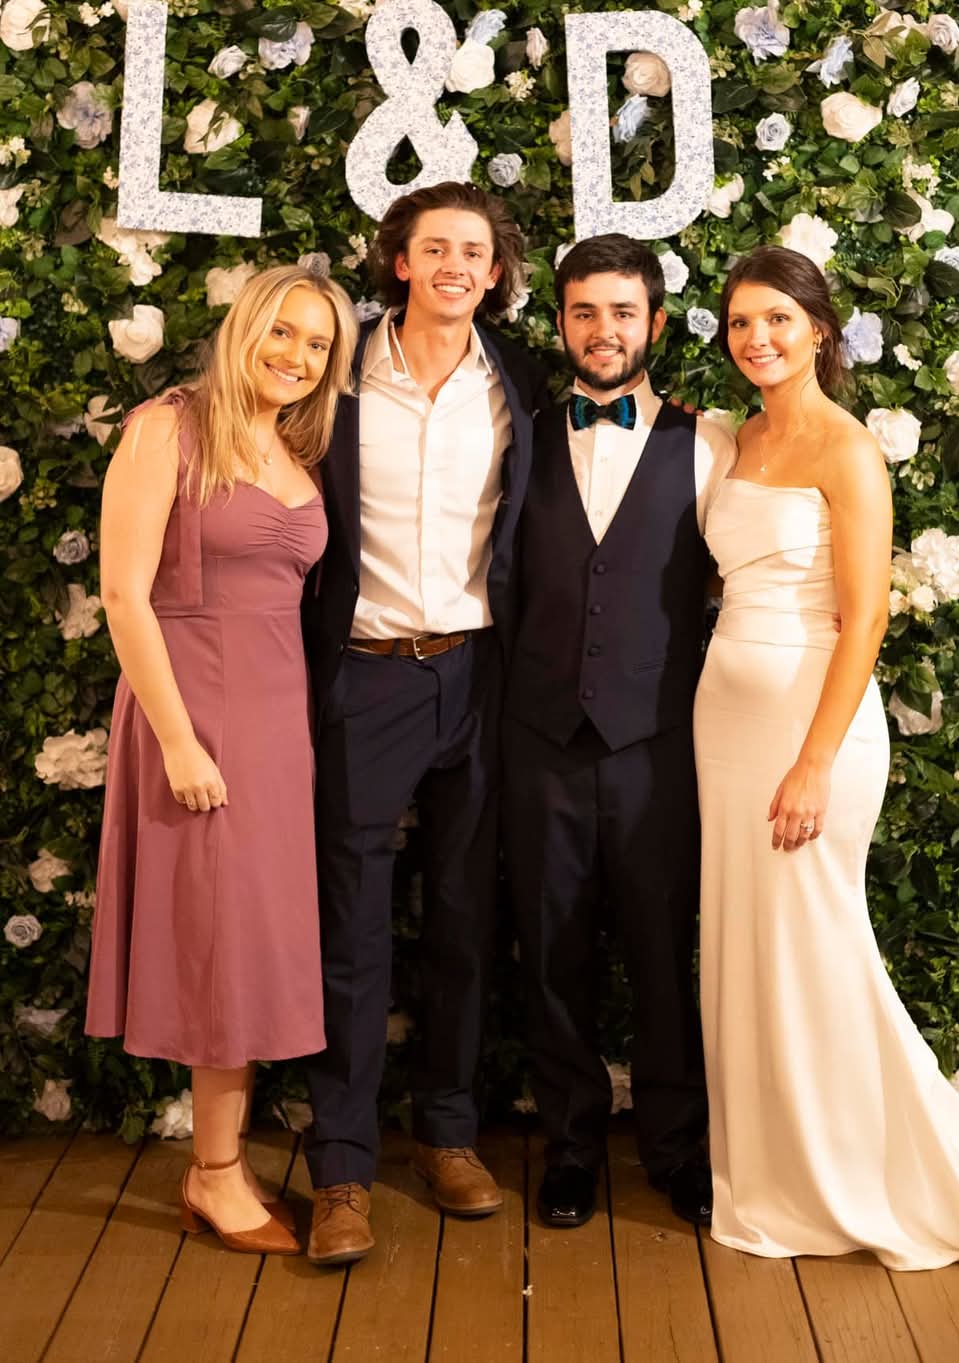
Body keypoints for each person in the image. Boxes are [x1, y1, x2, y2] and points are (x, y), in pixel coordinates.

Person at [696, 243, 959, 1270]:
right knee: (747, 941)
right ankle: (770, 1172)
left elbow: (865, 617)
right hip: (722, 723)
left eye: (777, 317)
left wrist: (814, 761)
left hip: (810, 721)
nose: (758, 337)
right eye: (740, 322)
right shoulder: (731, 437)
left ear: (820, 328)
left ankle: (848, 1175)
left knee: (816, 944)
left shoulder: (847, 448)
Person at [86, 263, 358, 1256]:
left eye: (317, 344)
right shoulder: (169, 425)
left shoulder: (299, 450)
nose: (296, 355)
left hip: (278, 726)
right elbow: (123, 593)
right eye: (281, 332)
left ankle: (221, 1157)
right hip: (193, 716)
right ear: (244, 330)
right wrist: (176, 737)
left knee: (248, 941)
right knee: (213, 941)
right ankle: (213, 1172)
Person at [301, 181, 549, 1266]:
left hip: (479, 673)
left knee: (461, 914)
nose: (455, 264)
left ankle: (449, 1131)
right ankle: (343, 1166)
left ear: (497, 272)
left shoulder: (520, 379)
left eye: (475, 250)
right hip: (364, 678)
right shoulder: (337, 374)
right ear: (398, 260)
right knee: (351, 929)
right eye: (434, 247)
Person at [502, 234, 735, 1231]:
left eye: (623, 311)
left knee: (662, 950)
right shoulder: (517, 437)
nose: (604, 330)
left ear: (656, 321)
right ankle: (571, 1147)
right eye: (585, 311)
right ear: (560, 322)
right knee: (552, 953)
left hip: (657, 747)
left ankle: (679, 1147)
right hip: (538, 738)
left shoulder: (712, 441)